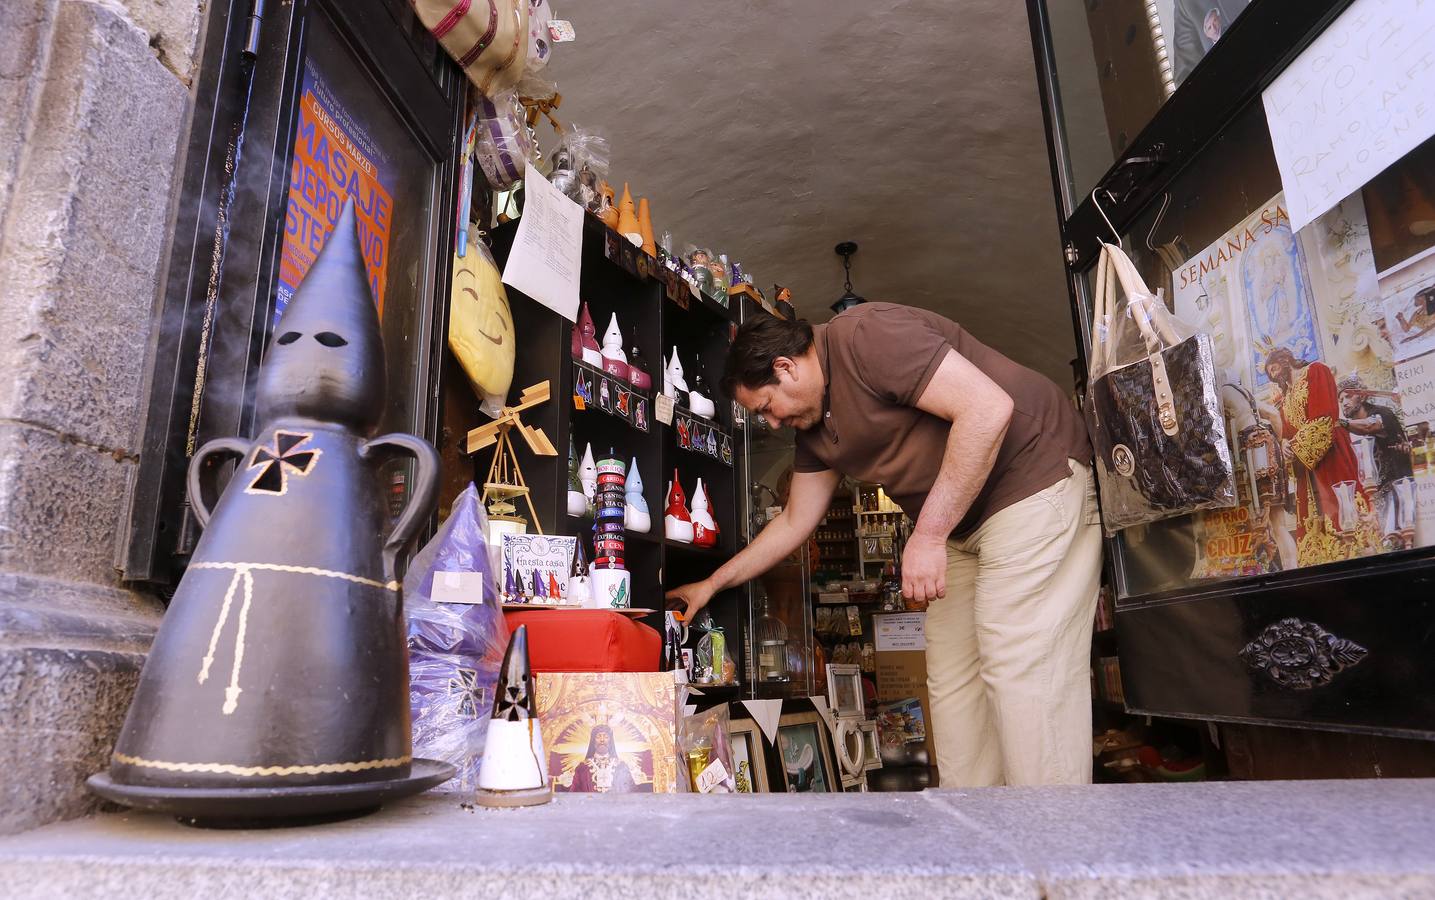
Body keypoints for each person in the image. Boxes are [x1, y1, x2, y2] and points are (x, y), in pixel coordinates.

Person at [666, 304, 1101, 787]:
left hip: (1033, 481)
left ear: (785, 368)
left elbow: (987, 408)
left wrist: (929, 534)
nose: (769, 423)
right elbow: (793, 521)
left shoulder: (868, 338)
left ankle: (1054, 841)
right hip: (963, 524)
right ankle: (979, 836)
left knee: (1022, 667)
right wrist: (711, 583)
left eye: (766, 406)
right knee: (954, 680)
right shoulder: (814, 428)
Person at [1264, 348, 1364, 541]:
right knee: (1314, 524)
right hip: (1305, 464)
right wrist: (1284, 444)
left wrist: (1294, 445)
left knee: (1343, 508)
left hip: (1331, 450)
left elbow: (1324, 417)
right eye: (1271, 374)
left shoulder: (1316, 371)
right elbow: (1286, 431)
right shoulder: (1286, 397)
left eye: (1274, 368)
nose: (1275, 376)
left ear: (1285, 360)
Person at [566, 724, 635, 793]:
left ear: (610, 741)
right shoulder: (582, 768)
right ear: (593, 741)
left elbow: (631, 793)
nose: (602, 740)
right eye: (598, 737)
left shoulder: (621, 766)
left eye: (606, 737)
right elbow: (574, 795)